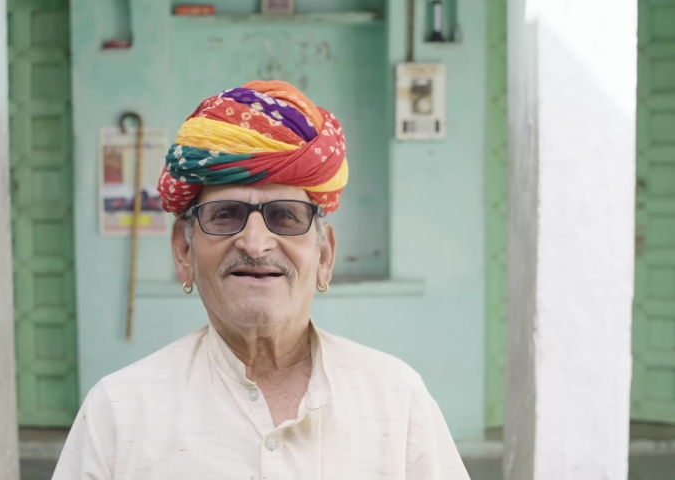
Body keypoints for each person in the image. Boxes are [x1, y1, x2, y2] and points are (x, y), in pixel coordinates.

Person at [53, 80, 470, 480]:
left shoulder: (397, 399)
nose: (254, 243)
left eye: (285, 216)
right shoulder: (119, 411)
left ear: (324, 255)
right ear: (184, 251)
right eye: (226, 216)